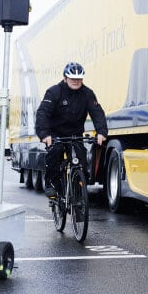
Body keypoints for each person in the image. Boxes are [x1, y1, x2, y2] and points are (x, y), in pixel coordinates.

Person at [35, 62, 108, 198]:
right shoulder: (54, 92)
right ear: (65, 78)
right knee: (55, 153)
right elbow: (43, 113)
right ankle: (52, 185)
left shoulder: (87, 94)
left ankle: (78, 195)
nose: (76, 81)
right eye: (72, 78)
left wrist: (102, 132)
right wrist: (44, 133)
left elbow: (97, 113)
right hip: (55, 133)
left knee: (81, 160)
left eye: (79, 78)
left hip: (75, 134)